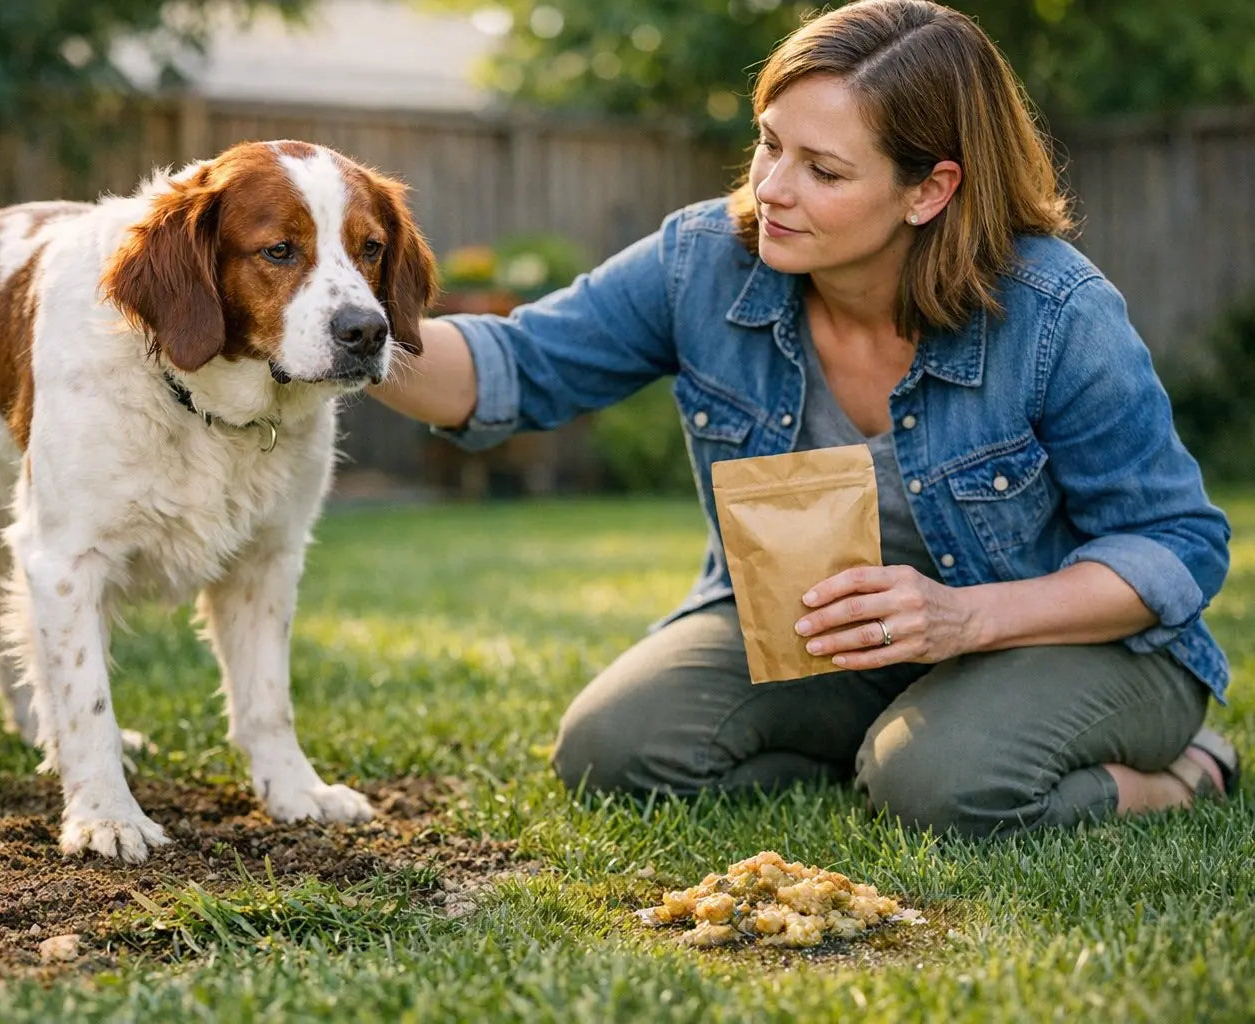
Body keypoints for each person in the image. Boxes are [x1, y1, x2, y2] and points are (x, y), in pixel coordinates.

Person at [370, 0, 1239, 838]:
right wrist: (334, 319)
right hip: (831, 644)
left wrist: (967, 619)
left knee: (941, 790)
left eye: (822, 171)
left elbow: (1174, 545)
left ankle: (1179, 775)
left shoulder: (1054, 312)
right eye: (768, 145)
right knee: (612, 750)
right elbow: (513, 368)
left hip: (1073, 642)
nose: (771, 190)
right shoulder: (704, 261)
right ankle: (898, 744)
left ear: (930, 190)